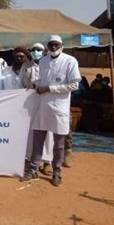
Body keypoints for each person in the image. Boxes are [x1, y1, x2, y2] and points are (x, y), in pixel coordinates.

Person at [21, 35, 81, 187]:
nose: (53, 48)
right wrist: (34, 84)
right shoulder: (43, 60)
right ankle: (33, 169)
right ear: (47, 46)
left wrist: (49, 89)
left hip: (59, 107)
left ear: (61, 45)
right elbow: (42, 80)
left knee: (59, 144)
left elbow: (74, 85)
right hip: (42, 106)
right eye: (50, 45)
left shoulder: (70, 61)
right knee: (37, 140)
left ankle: (57, 172)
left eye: (56, 45)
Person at [19, 42, 54, 175]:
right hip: (30, 104)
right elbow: (20, 82)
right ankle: (30, 159)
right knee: (30, 132)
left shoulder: (48, 64)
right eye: (33, 50)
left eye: (38, 49)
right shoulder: (26, 66)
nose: (35, 52)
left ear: (44, 51)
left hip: (46, 101)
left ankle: (47, 161)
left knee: (48, 132)